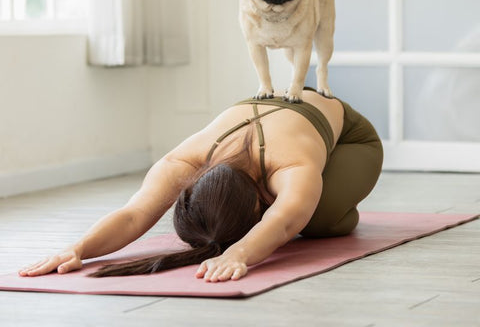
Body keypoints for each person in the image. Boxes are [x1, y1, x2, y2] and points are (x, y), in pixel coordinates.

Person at [18, 88, 383, 282]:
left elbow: (286, 220)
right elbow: (134, 214)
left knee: (316, 220)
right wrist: (78, 249)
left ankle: (337, 207)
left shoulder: (289, 163)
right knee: (301, 202)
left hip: (350, 138)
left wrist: (239, 252)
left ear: (259, 204)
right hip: (287, 119)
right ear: (191, 187)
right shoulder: (185, 161)